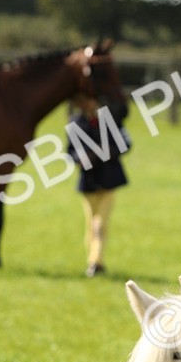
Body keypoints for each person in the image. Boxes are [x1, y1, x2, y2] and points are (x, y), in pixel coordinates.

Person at [66, 96, 131, 277]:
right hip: (88, 181)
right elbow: (69, 153)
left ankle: (96, 263)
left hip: (109, 179)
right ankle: (92, 261)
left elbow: (126, 142)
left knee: (100, 224)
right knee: (91, 223)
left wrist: (110, 150)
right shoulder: (74, 123)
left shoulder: (109, 119)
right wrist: (81, 158)